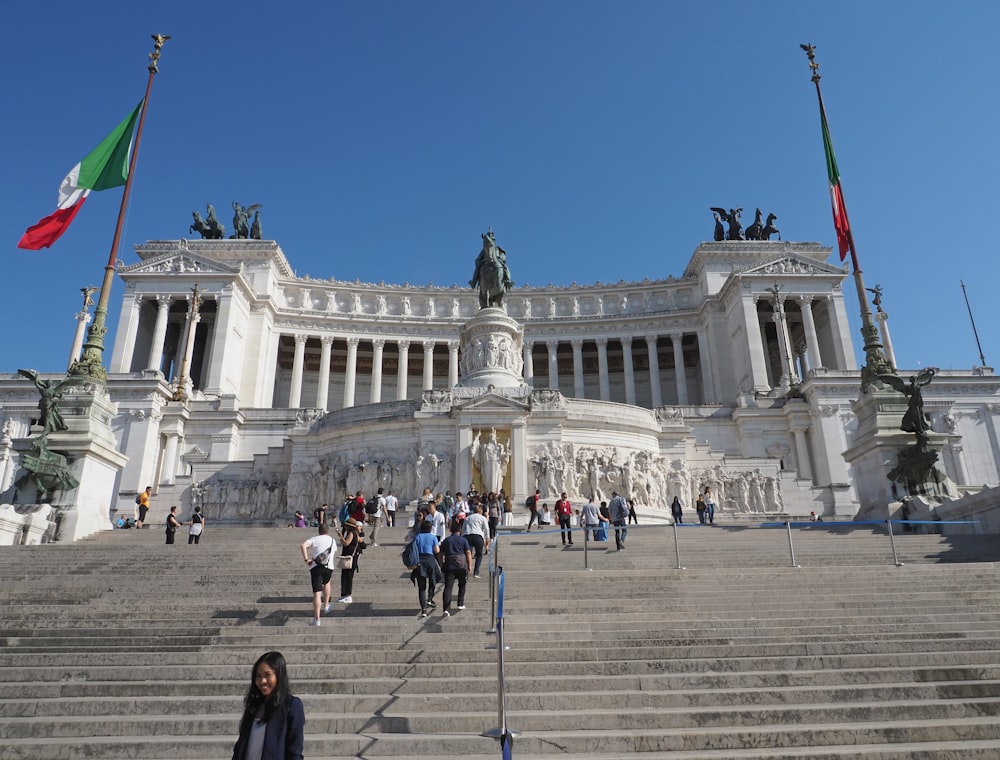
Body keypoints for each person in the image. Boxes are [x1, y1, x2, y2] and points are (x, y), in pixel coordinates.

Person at [231, 650, 304, 760]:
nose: (262, 681)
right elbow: (239, 748)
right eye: (258, 676)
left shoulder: (291, 706)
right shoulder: (253, 706)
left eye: (268, 675)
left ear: (279, 675)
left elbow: (295, 752)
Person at [301, 524, 336, 626]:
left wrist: (306, 559)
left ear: (319, 531)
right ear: (328, 531)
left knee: (317, 593)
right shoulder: (333, 541)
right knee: (327, 582)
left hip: (316, 567)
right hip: (329, 567)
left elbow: (303, 545)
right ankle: (326, 605)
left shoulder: (315, 539)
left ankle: (317, 619)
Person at [409, 520, 442, 618]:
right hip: (430, 559)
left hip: (419, 561)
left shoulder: (418, 537)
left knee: (421, 587)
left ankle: (423, 609)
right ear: (430, 528)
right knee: (434, 579)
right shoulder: (433, 537)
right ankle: (430, 598)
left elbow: (413, 548)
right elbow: (437, 550)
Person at [440, 522, 473, 616]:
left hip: (449, 565)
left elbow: (440, 553)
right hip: (461, 566)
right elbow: (468, 552)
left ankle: (446, 609)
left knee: (448, 587)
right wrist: (469, 565)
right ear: (460, 530)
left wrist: (441, 564)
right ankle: (460, 603)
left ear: (451, 530)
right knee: (462, 584)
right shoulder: (463, 540)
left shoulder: (446, 540)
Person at [336, 518, 364, 604]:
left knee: (347, 576)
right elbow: (360, 540)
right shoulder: (355, 533)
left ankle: (347, 595)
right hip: (352, 557)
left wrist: (340, 536)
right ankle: (344, 595)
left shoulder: (351, 533)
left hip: (349, 557)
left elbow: (346, 543)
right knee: (346, 576)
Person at [462, 503, 490, 578]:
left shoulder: (468, 518)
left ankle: (467, 570)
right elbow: (487, 529)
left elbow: (463, 528)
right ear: (481, 511)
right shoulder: (482, 518)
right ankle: (476, 572)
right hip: (478, 535)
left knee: (468, 554)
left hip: (467, 535)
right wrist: (487, 538)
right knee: (479, 554)